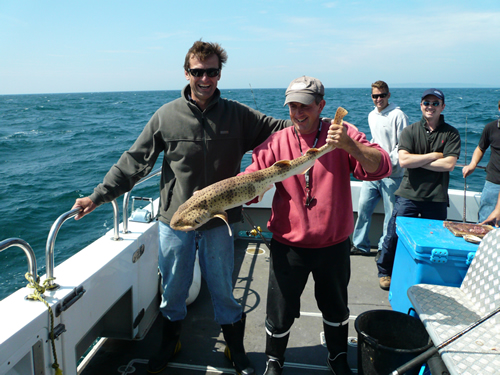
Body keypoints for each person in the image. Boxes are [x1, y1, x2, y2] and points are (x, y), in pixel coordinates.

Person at [71, 40, 292, 375]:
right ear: (187, 72)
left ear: (220, 74)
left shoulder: (238, 114)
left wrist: (316, 122)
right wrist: (98, 196)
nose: (205, 78)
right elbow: (134, 162)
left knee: (222, 288)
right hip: (176, 220)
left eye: (212, 72)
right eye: (198, 71)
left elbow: (282, 130)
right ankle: (169, 342)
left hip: (220, 221)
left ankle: (235, 348)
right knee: (173, 288)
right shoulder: (166, 116)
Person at [242, 76, 391, 375]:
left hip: (333, 245)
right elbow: (252, 179)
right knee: (280, 311)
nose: (298, 113)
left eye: (305, 106)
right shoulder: (277, 142)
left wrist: (350, 146)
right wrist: (243, 191)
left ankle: (337, 357)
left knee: (336, 308)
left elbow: (382, 166)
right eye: (292, 106)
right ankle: (274, 360)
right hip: (289, 245)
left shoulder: (342, 132)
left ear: (321, 105)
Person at [376, 89, 461, 290]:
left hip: (436, 196)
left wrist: (418, 161)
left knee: (434, 237)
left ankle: (428, 272)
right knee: (394, 234)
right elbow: (404, 160)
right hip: (408, 194)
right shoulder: (410, 131)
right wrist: (433, 156)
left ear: (443, 106)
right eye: (426, 103)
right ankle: (385, 271)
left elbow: (448, 164)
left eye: (435, 103)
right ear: (421, 105)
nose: (430, 106)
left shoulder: (451, 133)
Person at [351, 81, 408, 256]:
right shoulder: (371, 115)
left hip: (393, 174)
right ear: (371, 97)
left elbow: (403, 145)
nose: (379, 99)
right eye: (375, 96)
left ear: (388, 95)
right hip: (373, 174)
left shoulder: (398, 115)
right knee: (363, 208)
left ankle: (384, 249)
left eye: (382, 95)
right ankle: (359, 244)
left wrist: (387, 163)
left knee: (390, 215)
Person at [462, 100, 500, 222]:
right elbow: (480, 148)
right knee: (485, 221)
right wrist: (473, 164)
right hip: (493, 182)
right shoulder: (490, 128)